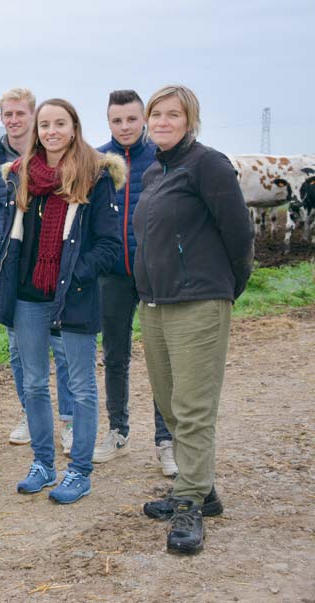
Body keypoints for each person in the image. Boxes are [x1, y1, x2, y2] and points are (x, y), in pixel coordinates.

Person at [134, 85, 253, 554]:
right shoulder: (154, 173)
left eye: (172, 115)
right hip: (156, 303)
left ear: (190, 120)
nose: (162, 122)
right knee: (168, 403)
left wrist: (224, 289)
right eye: (156, 114)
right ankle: (202, 487)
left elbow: (239, 234)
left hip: (199, 302)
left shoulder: (208, 164)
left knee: (193, 405)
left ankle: (189, 503)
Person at [0, 98, 122, 505]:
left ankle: (79, 471)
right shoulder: (21, 175)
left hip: (74, 296)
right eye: (44, 124)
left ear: (74, 127)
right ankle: (43, 464)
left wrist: (73, 274)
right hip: (28, 297)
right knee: (32, 383)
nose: (51, 131)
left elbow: (109, 245)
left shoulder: (94, 176)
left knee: (80, 388)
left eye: (59, 123)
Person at [0, 88, 75, 451]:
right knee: (18, 349)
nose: (14, 120)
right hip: (8, 268)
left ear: (33, 116)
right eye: (7, 114)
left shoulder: (53, 156)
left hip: (54, 264)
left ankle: (69, 419)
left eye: (20, 113)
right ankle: (30, 414)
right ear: (1, 118)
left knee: (62, 346)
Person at [93, 91, 176, 474]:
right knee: (114, 355)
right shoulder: (97, 162)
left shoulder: (161, 157)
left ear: (143, 119)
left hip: (155, 271)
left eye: (131, 119)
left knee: (161, 356)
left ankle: (166, 439)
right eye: (116, 121)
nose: (124, 127)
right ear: (108, 122)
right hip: (112, 273)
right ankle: (118, 431)